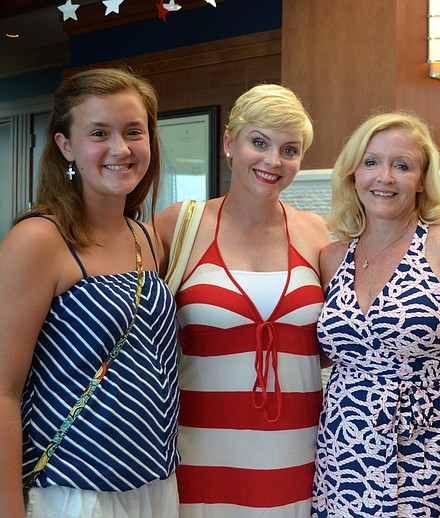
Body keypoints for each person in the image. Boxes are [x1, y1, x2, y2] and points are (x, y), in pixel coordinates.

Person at [0, 67, 179, 517]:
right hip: (73, 490)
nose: (120, 149)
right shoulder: (39, 240)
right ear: (66, 145)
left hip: (154, 482)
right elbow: (2, 390)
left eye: (133, 132)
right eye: (99, 133)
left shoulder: (147, 239)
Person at [154, 84, 331, 516]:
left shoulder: (314, 232)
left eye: (289, 149)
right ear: (230, 144)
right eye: (259, 142)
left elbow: (334, 345)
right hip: (199, 452)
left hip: (298, 451)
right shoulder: (179, 225)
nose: (273, 161)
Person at [312, 112, 440, 517]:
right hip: (342, 455)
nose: (385, 177)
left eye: (402, 166)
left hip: (426, 455)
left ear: (422, 179)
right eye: (372, 162)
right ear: (353, 173)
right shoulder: (332, 257)